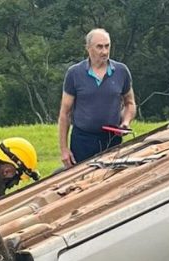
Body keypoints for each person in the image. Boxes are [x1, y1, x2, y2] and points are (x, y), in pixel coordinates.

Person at [58, 28, 136, 168]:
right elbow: (65, 113)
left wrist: (126, 122)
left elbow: (130, 103)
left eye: (107, 46)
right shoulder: (74, 73)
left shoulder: (121, 71)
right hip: (83, 141)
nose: (104, 51)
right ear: (88, 48)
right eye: (99, 47)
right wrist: (64, 149)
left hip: (112, 140)